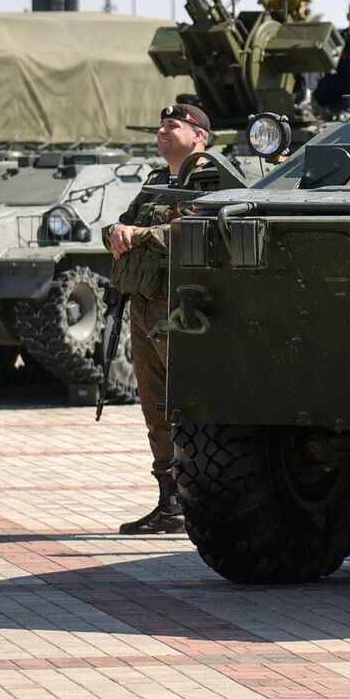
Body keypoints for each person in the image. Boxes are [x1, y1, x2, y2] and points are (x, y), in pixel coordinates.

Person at [103, 102, 211, 535]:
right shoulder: (155, 181)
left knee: (190, 402)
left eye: (174, 126)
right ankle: (169, 502)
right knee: (155, 406)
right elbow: (125, 224)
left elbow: (202, 229)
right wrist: (114, 230)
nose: (163, 132)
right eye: (161, 126)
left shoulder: (210, 178)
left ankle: (202, 496)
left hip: (182, 307)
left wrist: (139, 235)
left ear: (199, 136)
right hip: (144, 302)